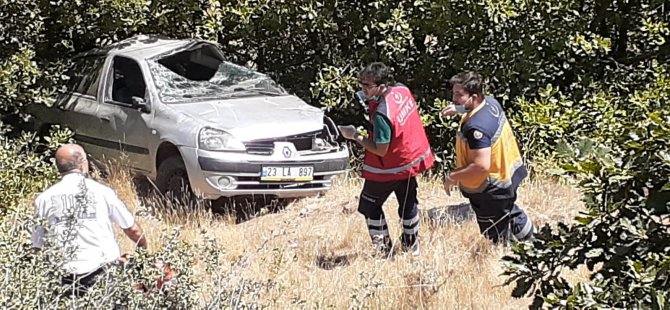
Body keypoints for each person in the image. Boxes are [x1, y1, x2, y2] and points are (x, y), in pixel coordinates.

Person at [340, 62, 434, 257]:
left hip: (388, 168)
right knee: (408, 203)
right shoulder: (402, 90)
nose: (363, 90)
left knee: (369, 206)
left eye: (367, 86)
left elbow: (380, 150)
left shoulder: (382, 114)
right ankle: (412, 246)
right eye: (362, 85)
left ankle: (383, 251)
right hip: (410, 161)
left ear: (382, 86)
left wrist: (355, 136)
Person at [31, 144, 147, 296]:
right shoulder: (102, 192)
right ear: (82, 163)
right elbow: (132, 229)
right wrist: (144, 251)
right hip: (103, 272)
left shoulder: (43, 200)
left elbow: (37, 246)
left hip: (64, 276)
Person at [441, 71, 534, 244]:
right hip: (508, 176)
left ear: (474, 97)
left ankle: (510, 257)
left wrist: (452, 177)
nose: (454, 98)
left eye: (459, 95)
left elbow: (480, 166)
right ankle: (536, 243)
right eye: (454, 93)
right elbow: (476, 108)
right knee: (510, 212)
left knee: (496, 231)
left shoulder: (477, 128)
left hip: (490, 188)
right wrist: (459, 109)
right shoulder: (490, 103)